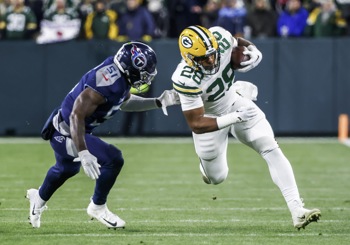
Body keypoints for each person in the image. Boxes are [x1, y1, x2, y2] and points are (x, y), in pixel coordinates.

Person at [171, 25, 321, 230]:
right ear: (189, 58)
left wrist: (253, 49)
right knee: (217, 177)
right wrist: (232, 118)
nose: (211, 61)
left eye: (212, 55)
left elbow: (238, 42)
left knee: (270, 146)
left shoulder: (220, 38)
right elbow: (196, 124)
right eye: (204, 59)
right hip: (209, 119)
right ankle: (206, 165)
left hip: (234, 102)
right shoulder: (184, 78)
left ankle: (297, 211)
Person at [26, 41, 180, 229]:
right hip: (66, 132)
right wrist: (83, 152)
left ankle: (38, 199)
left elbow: (124, 102)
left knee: (65, 169)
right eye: (144, 72)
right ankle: (98, 206)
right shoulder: (107, 81)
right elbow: (76, 115)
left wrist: (157, 102)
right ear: (130, 67)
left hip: (70, 128)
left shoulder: (120, 78)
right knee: (113, 159)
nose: (146, 78)